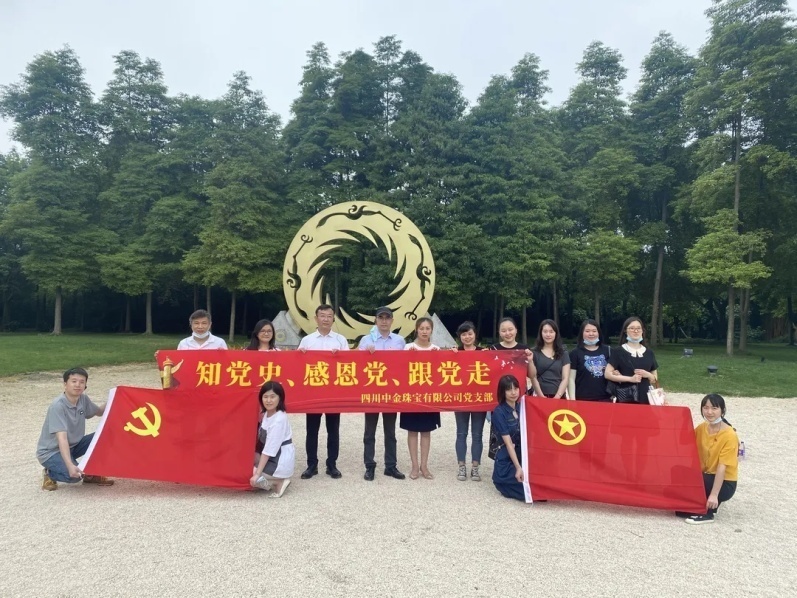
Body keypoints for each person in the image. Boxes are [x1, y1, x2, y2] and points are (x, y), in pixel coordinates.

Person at [37, 367, 114, 491]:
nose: (78, 385)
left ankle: (91, 474)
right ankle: (49, 472)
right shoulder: (58, 406)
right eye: (74, 381)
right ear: (65, 384)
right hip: (51, 452)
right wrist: (69, 465)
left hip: (74, 445)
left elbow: (99, 412)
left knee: (105, 436)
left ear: (85, 385)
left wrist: (115, 397)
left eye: (82, 382)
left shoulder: (83, 399)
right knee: (74, 477)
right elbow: (62, 439)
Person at [297, 304, 349, 479]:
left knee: (333, 430)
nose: (326, 319)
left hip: (334, 392)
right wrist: (300, 354)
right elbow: (297, 366)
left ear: (333, 319)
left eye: (329, 316)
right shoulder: (307, 340)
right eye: (322, 316)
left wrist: (341, 356)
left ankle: (332, 465)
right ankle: (311, 465)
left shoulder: (341, 340)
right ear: (316, 318)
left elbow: (349, 365)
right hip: (313, 392)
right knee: (312, 430)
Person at [357, 306, 406, 481]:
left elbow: (406, 365)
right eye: (381, 318)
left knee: (390, 432)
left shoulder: (400, 341)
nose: (384, 321)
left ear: (392, 320)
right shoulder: (365, 340)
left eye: (387, 318)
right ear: (375, 320)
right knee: (369, 432)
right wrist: (366, 354)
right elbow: (356, 365)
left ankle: (390, 466)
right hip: (371, 392)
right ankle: (369, 466)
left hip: (391, 392)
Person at [678, 394, 739, 524]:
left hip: (725, 482)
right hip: (705, 475)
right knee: (676, 472)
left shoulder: (730, 435)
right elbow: (683, 441)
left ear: (722, 410)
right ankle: (702, 504)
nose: (709, 412)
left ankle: (708, 512)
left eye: (714, 408)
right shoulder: (702, 427)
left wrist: (714, 495)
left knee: (700, 480)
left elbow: (722, 467)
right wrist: (683, 419)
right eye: (706, 408)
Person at [401, 316, 440, 480]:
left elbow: (441, 374)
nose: (424, 331)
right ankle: (414, 466)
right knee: (412, 431)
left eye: (427, 328)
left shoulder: (436, 349)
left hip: (429, 396)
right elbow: (400, 371)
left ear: (431, 330)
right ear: (416, 330)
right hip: (411, 395)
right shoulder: (408, 347)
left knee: (426, 431)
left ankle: (424, 466)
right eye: (421, 328)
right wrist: (408, 358)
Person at [454, 321, 486, 482]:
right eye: (464, 334)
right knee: (461, 433)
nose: (467, 337)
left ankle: (475, 467)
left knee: (477, 434)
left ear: (475, 335)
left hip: (479, 399)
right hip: (460, 399)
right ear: (460, 336)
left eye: (470, 334)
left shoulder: (483, 353)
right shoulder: (455, 352)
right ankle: (461, 466)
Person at [251, 381, 294, 498]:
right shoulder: (267, 413)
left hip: (278, 459)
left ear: (280, 398)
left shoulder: (278, 420)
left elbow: (269, 451)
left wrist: (257, 474)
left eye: (272, 397)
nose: (268, 400)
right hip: (270, 455)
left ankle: (278, 481)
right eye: (265, 397)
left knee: (248, 475)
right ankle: (269, 479)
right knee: (244, 463)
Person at [604, 316, 658, 404]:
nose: (636, 331)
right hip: (625, 397)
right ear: (625, 331)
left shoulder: (649, 353)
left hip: (646, 397)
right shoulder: (618, 351)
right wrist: (630, 379)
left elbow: (654, 378)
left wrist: (647, 374)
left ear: (642, 331)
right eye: (632, 328)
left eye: (638, 328)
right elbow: (607, 374)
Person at [491, 374, 525, 501]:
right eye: (509, 389)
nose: (513, 392)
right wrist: (518, 467)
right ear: (502, 392)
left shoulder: (522, 408)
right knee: (528, 490)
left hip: (521, 456)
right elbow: (509, 443)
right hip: (506, 461)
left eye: (515, 388)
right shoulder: (499, 412)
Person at [568, 319, 612, 402]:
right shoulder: (575, 353)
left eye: (594, 331)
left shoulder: (608, 351)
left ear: (598, 333)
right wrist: (572, 401)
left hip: (605, 398)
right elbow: (571, 379)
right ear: (582, 333)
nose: (591, 334)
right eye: (587, 331)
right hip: (582, 399)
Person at [531, 319, 571, 399]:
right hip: (539, 396)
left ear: (556, 333)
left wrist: (557, 397)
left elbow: (565, 378)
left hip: (559, 396)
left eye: (551, 331)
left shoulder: (563, 353)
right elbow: (533, 377)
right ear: (541, 333)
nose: (548, 334)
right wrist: (541, 396)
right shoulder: (534, 353)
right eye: (545, 331)